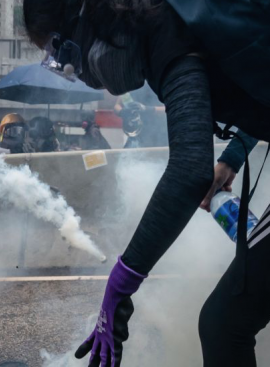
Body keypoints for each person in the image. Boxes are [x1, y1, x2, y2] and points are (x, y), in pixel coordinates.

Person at [22, 1, 270, 366]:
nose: (76, 72)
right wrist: (232, 158)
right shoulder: (189, 15)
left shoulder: (168, 33)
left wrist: (121, 282)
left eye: (62, 50)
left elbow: (189, 170)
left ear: (90, 18)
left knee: (225, 324)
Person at [114, 82, 169, 148]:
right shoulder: (132, 82)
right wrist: (122, 111)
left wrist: (147, 109)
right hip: (136, 133)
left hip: (158, 134)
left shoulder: (160, 82)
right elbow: (117, 105)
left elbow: (169, 108)